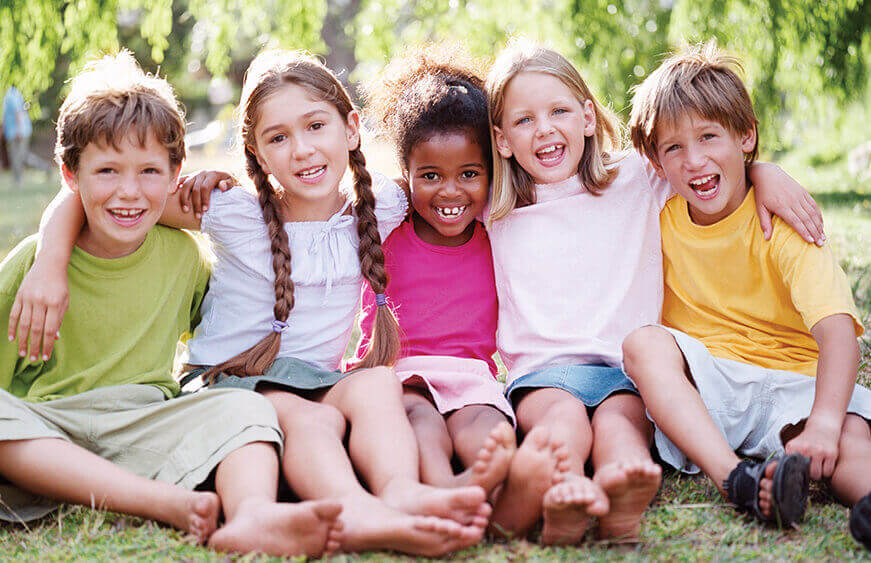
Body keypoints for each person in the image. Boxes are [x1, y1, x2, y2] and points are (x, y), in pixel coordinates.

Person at [14, 49, 490, 557]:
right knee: (306, 416)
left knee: (376, 382)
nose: (302, 150)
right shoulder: (230, 212)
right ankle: (355, 510)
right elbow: (100, 191)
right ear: (256, 153)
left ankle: (401, 491)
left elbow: (460, 185)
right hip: (230, 378)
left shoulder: (382, 207)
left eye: (315, 126)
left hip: (315, 380)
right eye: (278, 138)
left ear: (351, 128)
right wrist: (48, 261)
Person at [0, 51, 344, 558]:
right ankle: (167, 504)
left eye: (148, 172)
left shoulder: (184, 258)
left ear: (176, 172)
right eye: (107, 171)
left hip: (147, 427)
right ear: (71, 176)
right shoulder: (36, 264)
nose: (129, 192)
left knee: (245, 408)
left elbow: (232, 318)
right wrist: (50, 261)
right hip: (50, 435)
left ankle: (253, 515)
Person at [482, 40, 826, 544]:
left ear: (587, 117)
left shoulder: (636, 180)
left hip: (628, 374)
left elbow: (704, 168)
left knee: (623, 432)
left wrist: (761, 172)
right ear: (502, 139)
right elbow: (425, 190)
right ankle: (567, 489)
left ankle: (621, 497)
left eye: (558, 110)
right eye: (524, 120)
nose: (545, 129)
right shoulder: (494, 207)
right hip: (545, 375)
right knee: (563, 428)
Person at [623, 42, 871, 543]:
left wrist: (823, 421)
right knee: (643, 345)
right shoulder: (655, 214)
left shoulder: (781, 223)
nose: (694, 161)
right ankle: (737, 480)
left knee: (850, 434)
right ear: (655, 159)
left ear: (746, 135)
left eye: (709, 137)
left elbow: (838, 329)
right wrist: (757, 166)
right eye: (674, 148)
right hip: (709, 391)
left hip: (792, 385)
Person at [356, 45, 520, 500]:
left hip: (472, 377)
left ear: (491, 173)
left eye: (469, 173)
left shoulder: (499, 229)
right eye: (430, 176)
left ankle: (500, 475)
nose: (451, 191)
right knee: (421, 422)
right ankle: (448, 486)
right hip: (401, 377)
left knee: (487, 425)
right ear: (405, 173)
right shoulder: (385, 227)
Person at [3, 85, 32, 185]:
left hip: (18, 132)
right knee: (16, 156)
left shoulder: (12, 94)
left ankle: (18, 179)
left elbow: (17, 112)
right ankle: (17, 179)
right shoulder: (10, 93)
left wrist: (19, 130)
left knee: (19, 156)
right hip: (12, 132)